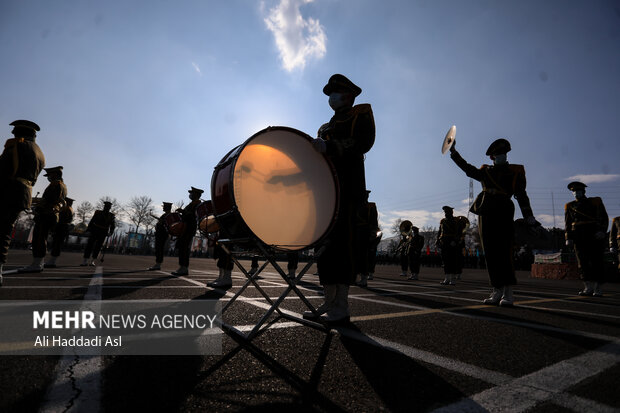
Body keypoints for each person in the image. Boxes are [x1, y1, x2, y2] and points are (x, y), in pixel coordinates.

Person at [305, 74, 375, 324]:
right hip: (325, 191)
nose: (331, 98)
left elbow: (363, 143)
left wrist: (331, 147)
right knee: (325, 247)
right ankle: (328, 300)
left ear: (347, 95)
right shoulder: (324, 127)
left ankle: (342, 306)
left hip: (347, 188)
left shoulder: (360, 115)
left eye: (334, 93)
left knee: (343, 245)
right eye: (329, 94)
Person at [449, 138, 538, 306]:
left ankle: (508, 292)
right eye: (498, 154)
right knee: (490, 252)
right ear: (492, 157)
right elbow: (468, 169)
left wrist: (528, 215)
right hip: (486, 211)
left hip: (503, 209)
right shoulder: (486, 171)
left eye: (503, 153)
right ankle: (496, 290)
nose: (501, 156)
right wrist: (454, 153)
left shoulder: (515, 171)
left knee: (504, 250)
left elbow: (521, 194)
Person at [0, 120, 45, 284]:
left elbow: (3, 168)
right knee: (5, 230)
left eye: (15, 132)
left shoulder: (17, 145)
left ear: (19, 133)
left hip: (7, 189)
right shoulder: (39, 152)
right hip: (23, 194)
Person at [564, 181, 609, 297]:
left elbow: (603, 217)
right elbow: (568, 223)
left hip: (593, 233)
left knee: (596, 261)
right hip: (578, 236)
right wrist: (568, 237)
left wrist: (602, 231)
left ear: (583, 191)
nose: (576, 193)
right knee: (582, 262)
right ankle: (587, 287)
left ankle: (598, 287)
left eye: (578, 191)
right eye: (574, 191)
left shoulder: (595, 201)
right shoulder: (570, 206)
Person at [20, 166, 67, 272]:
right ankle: (38, 263)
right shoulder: (62, 185)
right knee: (41, 238)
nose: (48, 178)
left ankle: (36, 264)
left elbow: (50, 200)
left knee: (39, 238)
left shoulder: (56, 184)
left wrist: (37, 205)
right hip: (50, 214)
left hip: (46, 214)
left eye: (50, 175)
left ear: (55, 175)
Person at [172, 187, 202, 276]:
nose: (190, 195)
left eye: (192, 193)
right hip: (185, 228)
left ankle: (184, 268)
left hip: (189, 228)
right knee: (182, 247)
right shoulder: (192, 204)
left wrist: (183, 212)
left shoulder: (197, 204)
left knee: (184, 248)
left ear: (196, 195)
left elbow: (193, 217)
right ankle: (182, 267)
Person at [436, 206, 469, 285]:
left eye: (447, 212)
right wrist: (437, 240)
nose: (446, 214)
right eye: (445, 212)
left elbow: (459, 232)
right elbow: (440, 232)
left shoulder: (457, 221)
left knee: (453, 260)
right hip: (444, 242)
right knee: (445, 260)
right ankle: (447, 278)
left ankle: (453, 278)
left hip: (453, 242)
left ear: (451, 212)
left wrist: (455, 241)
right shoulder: (443, 221)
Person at [81, 201, 115, 266]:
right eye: (106, 206)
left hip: (103, 232)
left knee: (98, 247)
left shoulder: (111, 216)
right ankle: (85, 260)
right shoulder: (98, 213)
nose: (107, 208)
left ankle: (92, 261)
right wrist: (88, 229)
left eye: (108, 207)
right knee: (89, 245)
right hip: (95, 230)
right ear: (104, 207)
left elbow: (113, 225)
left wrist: (111, 232)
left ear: (110, 208)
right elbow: (92, 221)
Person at [357, 195, 381, 286]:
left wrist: (372, 237)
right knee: (357, 257)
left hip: (365, 234)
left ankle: (364, 279)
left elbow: (374, 223)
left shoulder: (371, 206)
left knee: (364, 258)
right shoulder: (356, 206)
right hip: (357, 233)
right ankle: (357, 277)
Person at [46, 197, 74, 268]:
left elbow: (59, 219)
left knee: (56, 244)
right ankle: (52, 261)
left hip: (60, 227)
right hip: (64, 228)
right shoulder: (71, 209)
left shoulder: (65, 209)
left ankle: (52, 262)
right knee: (57, 244)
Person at [148, 202, 172, 271]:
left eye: (164, 207)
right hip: (160, 234)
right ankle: (157, 263)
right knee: (158, 248)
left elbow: (167, 225)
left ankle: (158, 264)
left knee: (159, 248)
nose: (163, 208)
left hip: (162, 234)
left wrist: (162, 223)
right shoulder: (165, 215)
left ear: (167, 207)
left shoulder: (168, 215)